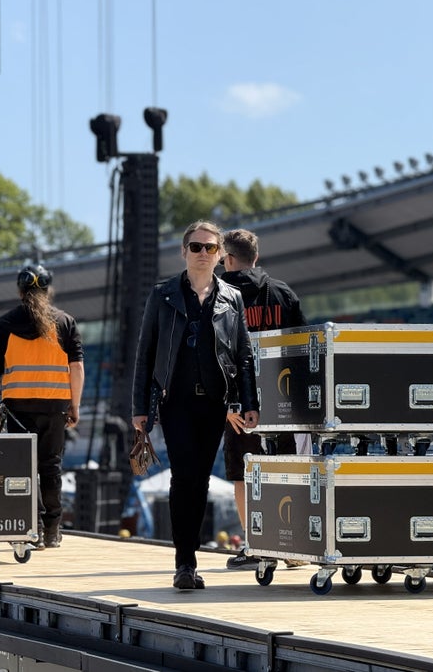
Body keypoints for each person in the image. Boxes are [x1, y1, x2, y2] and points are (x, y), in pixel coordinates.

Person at [131, 220, 259, 591]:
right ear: (184, 251)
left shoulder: (232, 297)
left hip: (215, 405)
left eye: (210, 247)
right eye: (196, 247)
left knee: (200, 479)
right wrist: (141, 408)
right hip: (175, 402)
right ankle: (184, 563)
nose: (202, 253)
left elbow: (243, 354)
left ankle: (189, 560)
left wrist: (247, 401)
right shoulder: (163, 295)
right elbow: (146, 353)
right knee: (183, 477)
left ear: (221, 255)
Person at [220, 228, 308, 569]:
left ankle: (255, 545)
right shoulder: (282, 293)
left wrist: (228, 405)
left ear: (227, 258)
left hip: (240, 403)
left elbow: (217, 354)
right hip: (284, 400)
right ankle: (290, 549)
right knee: (286, 472)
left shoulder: (218, 295)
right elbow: (304, 349)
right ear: (255, 257)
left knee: (244, 475)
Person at [0, 263, 85, 550]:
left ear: (19, 290)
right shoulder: (65, 322)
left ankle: (32, 529)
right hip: (54, 407)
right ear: (48, 291)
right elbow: (76, 367)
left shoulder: (4, 324)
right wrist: (74, 405)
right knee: (51, 468)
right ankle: (53, 531)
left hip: (17, 408)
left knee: (22, 471)